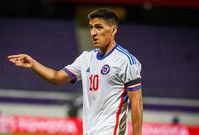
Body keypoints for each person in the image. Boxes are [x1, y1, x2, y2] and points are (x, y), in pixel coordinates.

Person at [8, 8, 143, 135]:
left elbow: (136, 103)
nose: (93, 33)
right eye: (91, 27)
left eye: (99, 27)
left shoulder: (126, 61)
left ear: (113, 30)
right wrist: (33, 64)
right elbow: (57, 78)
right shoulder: (86, 58)